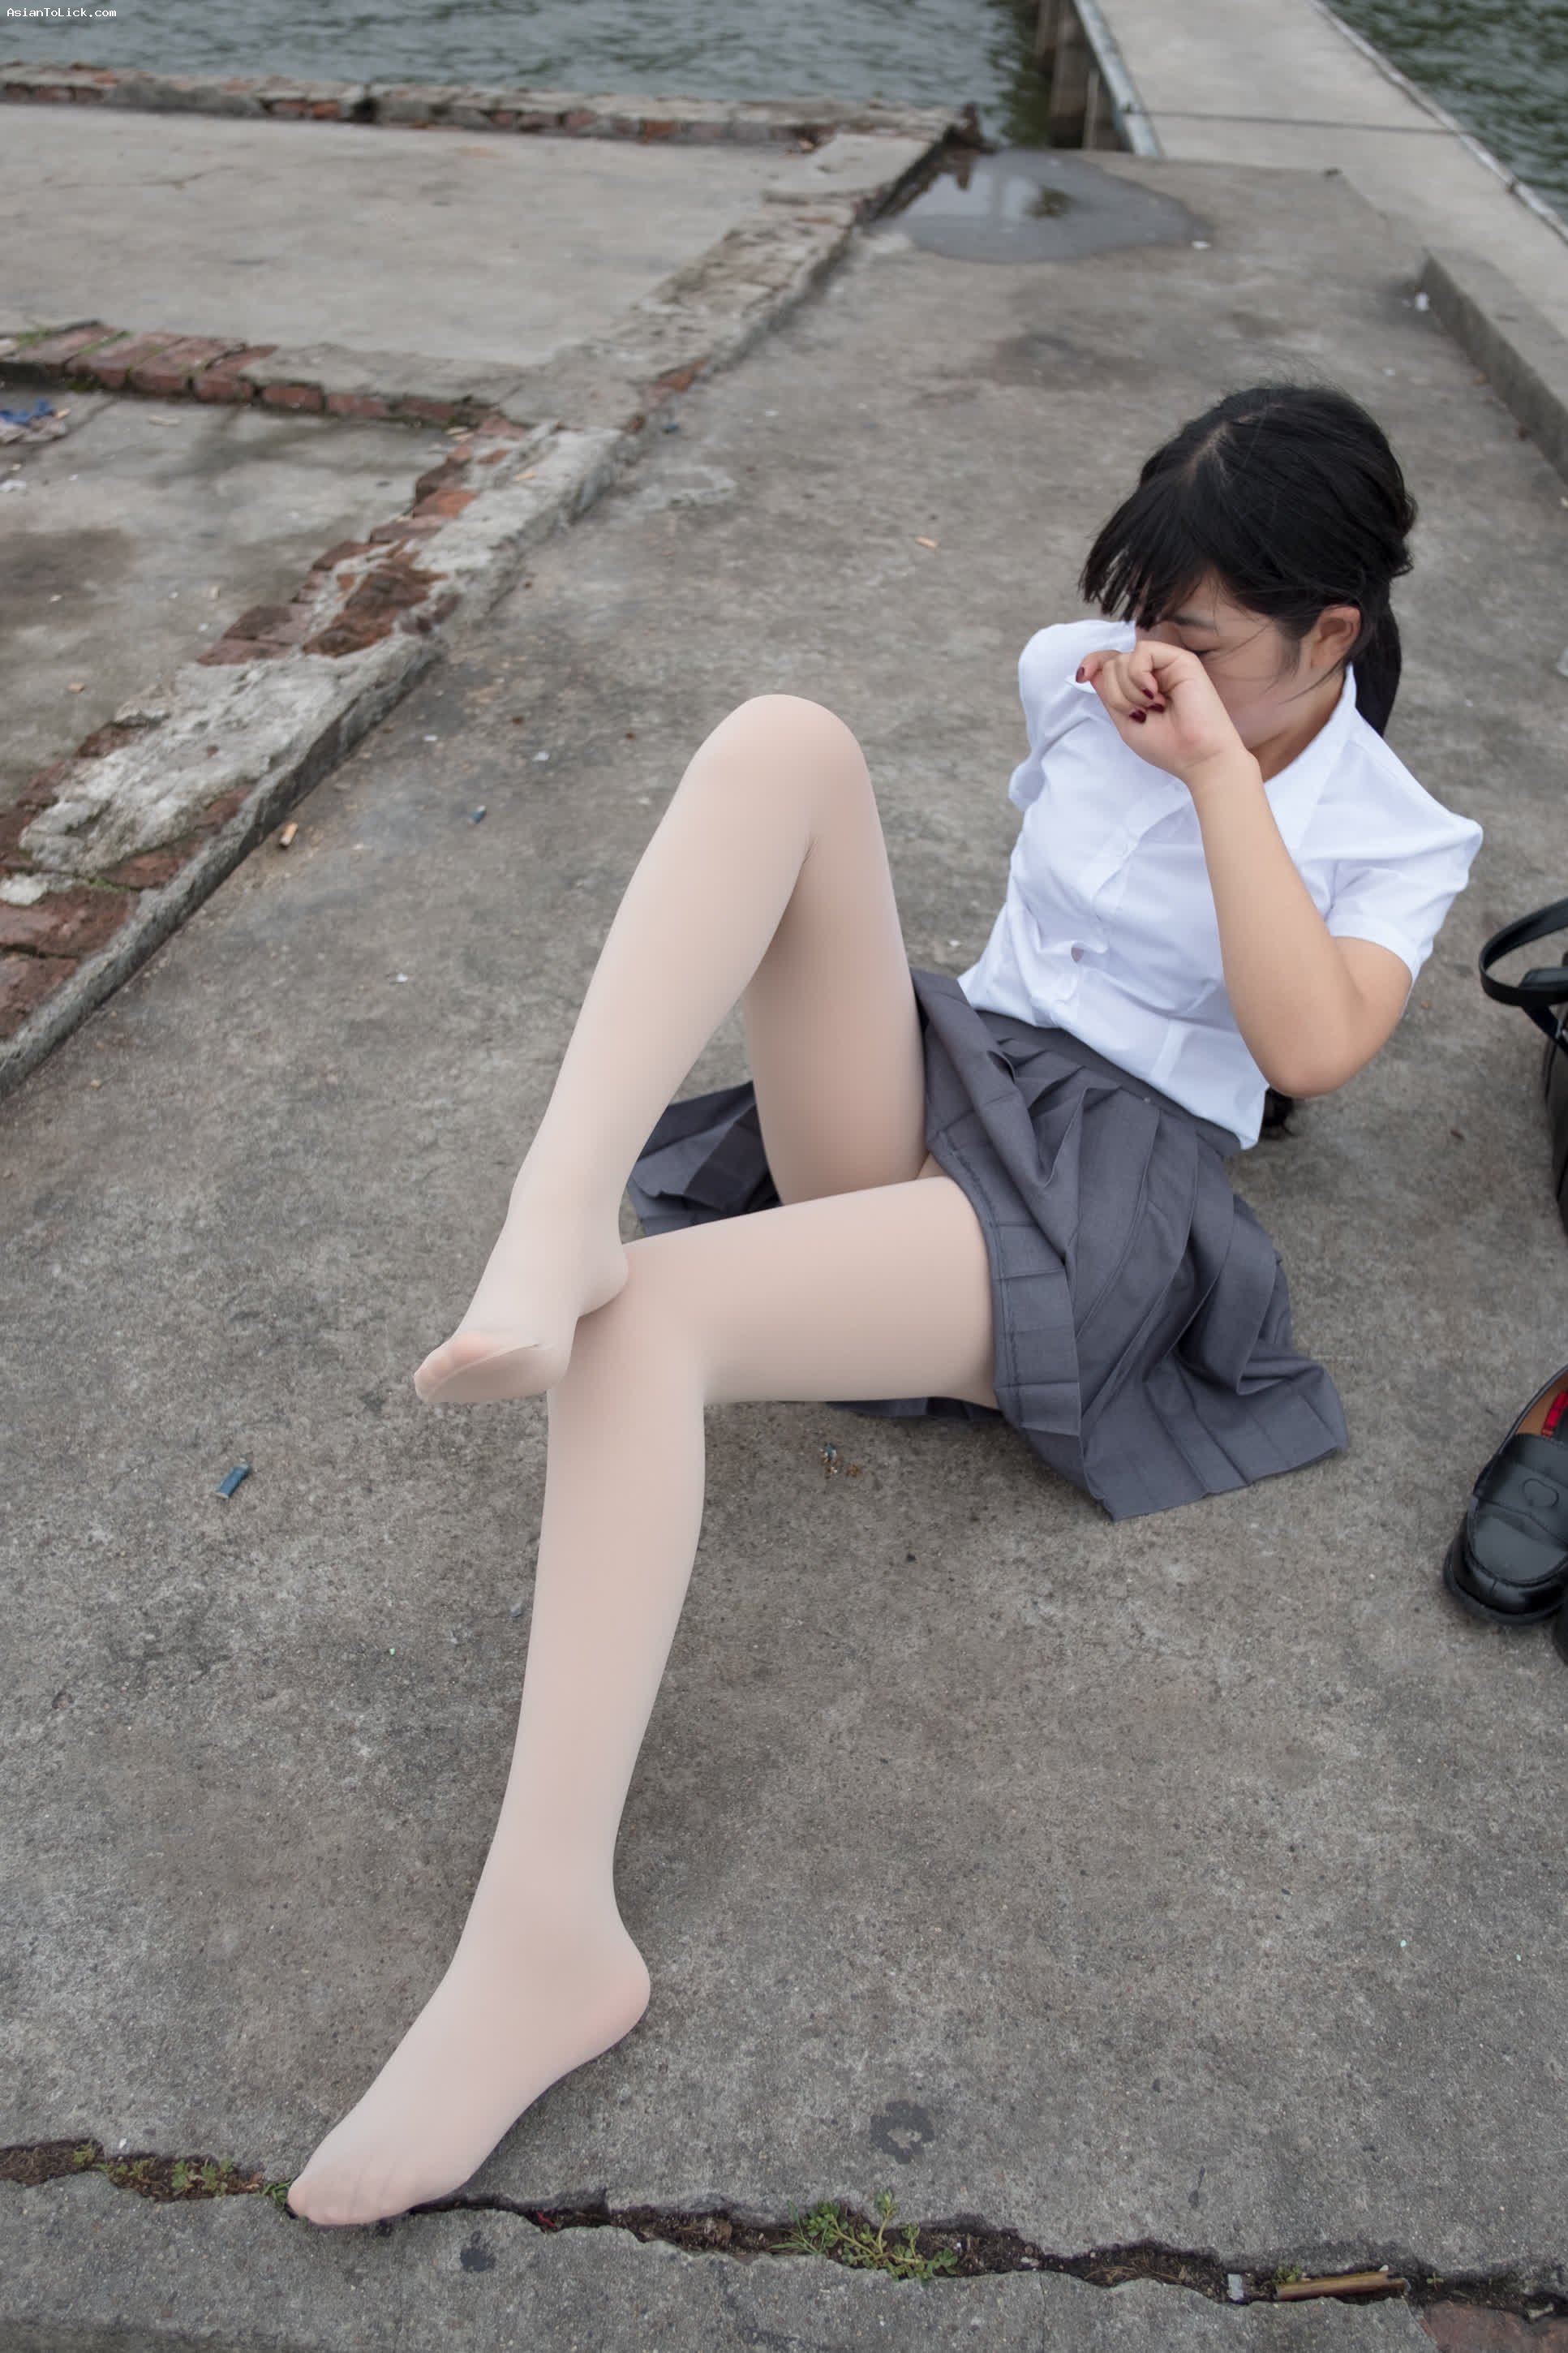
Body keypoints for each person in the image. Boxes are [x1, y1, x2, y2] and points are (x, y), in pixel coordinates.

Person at [287, 383, 1482, 2226]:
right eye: (1135, 620)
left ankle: (545, 1942)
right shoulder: (1072, 675)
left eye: (1199, 639)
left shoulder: (1393, 832)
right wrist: (1150, 700)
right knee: (784, 740)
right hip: (955, 1076)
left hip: (1109, 1191)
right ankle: (556, 1202)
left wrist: (1219, 776)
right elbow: (1013, 884)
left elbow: (1308, 1044)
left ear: (1330, 635)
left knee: (644, 1328)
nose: (1142, 665)